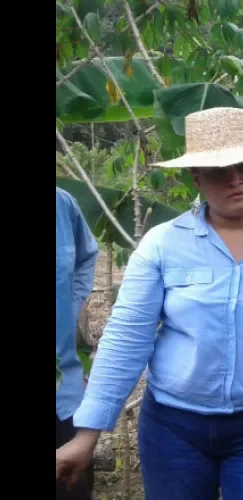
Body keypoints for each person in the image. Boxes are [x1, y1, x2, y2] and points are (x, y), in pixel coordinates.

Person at [55, 107, 243, 500]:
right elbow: (126, 340)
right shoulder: (163, 245)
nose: (235, 179)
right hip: (173, 430)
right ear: (196, 177)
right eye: (218, 170)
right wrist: (87, 435)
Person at [56, 187, 99, 500]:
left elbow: (86, 256)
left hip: (64, 394)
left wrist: (70, 309)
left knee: (72, 488)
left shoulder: (61, 203)